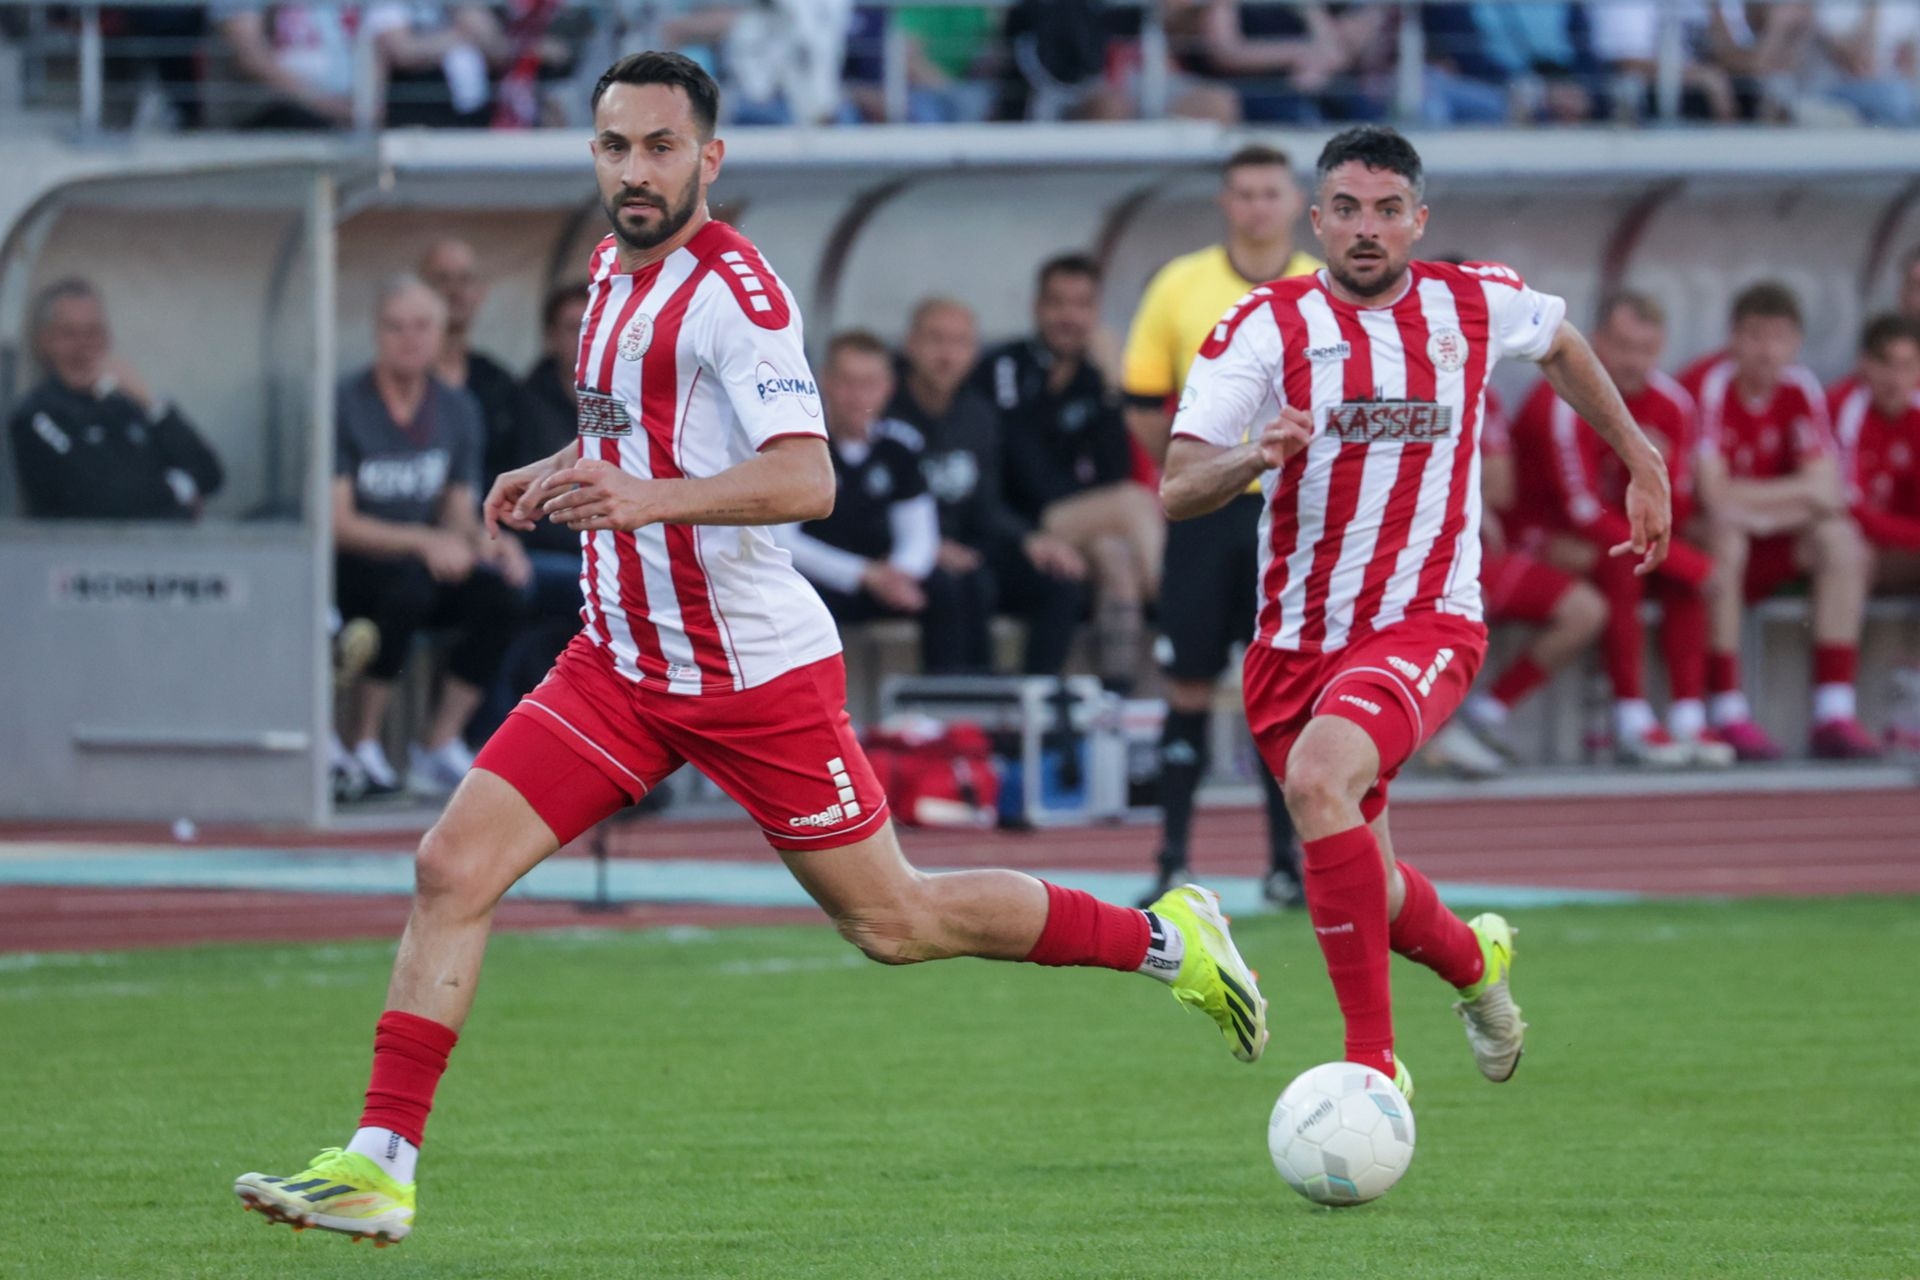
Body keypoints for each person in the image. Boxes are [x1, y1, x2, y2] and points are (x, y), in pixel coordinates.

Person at [234, 52, 1267, 1248]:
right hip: (621, 662)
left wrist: (648, 499)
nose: (635, 169)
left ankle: (1167, 939)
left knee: (896, 921)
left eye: (660, 146)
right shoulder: (611, 273)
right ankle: (381, 1163)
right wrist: (555, 469)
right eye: (615, 146)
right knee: (450, 865)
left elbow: (807, 476)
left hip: (750, 672)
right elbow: (636, 438)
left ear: (709, 158)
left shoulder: (742, 295)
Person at [1159, 124, 1675, 1096]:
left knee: (1320, 781)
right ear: (1317, 221)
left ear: (1418, 220)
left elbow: (1561, 343)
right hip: (1294, 644)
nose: (1368, 228)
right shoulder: (1263, 326)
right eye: (1347, 210)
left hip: (1426, 620)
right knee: (1376, 886)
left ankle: (1370, 1065)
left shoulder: (1472, 301)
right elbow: (1179, 488)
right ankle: (1479, 966)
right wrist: (1254, 456)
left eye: (1388, 210)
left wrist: (1639, 457)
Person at [1121, 142, 1318, 909]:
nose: (1258, 207)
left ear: (1294, 202)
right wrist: (1195, 469)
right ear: (1225, 203)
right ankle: (1172, 858)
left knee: (1285, 687)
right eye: (1245, 193)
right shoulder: (1180, 284)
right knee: (1190, 680)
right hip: (1207, 515)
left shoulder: (1324, 287)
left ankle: (1286, 865)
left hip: (1294, 514)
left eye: (1271, 192)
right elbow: (1144, 400)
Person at [1506, 291, 1732, 766]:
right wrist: (1688, 563)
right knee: (1637, 563)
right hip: (1541, 536)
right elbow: (1582, 511)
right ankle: (1631, 717)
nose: (1634, 361)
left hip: (1614, 534)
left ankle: (1688, 715)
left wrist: (1659, 466)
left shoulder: (1671, 403)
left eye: (1646, 349)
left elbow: (1678, 506)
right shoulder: (1562, 400)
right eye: (1623, 346)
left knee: (1674, 570)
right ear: (1596, 341)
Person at [332, 275, 530, 798]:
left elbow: (455, 506)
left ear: (441, 334)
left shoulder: (457, 407)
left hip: (423, 561)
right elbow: (338, 522)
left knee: (504, 594)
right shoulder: (346, 402)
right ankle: (362, 741)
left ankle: (438, 742)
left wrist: (488, 542)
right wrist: (423, 542)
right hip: (352, 565)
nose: (409, 338)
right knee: (408, 588)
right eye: (395, 327)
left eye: (421, 326)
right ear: (376, 332)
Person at [1683, 282, 1879, 760]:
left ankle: (1833, 710)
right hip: (1709, 540)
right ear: (1733, 337)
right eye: (1754, 336)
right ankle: (1727, 708)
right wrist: (1795, 495)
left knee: (1840, 539)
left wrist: (1758, 506)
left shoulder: (1800, 386)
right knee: (1726, 537)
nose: (1766, 351)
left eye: (1778, 337)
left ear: (1796, 342)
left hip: (1768, 537)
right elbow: (1712, 495)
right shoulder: (1709, 384)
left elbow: (1829, 491)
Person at [976, 254, 1161, 689]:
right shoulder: (1006, 367)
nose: (1069, 317)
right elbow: (1023, 470)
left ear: (1096, 313)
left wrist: (1114, 388)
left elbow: (1112, 470)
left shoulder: (1094, 380)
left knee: (1116, 558)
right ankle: (1177, 611)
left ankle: (1117, 697)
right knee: (1133, 503)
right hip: (1017, 525)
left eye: (1081, 305)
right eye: (1057, 303)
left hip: (1073, 524)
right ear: (1037, 307)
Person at [889, 297, 1087, 677]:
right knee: (963, 583)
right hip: (904, 554)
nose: (947, 355)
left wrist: (1030, 539)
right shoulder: (885, 409)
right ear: (910, 344)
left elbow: (986, 506)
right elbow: (864, 506)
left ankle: (1034, 700)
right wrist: (925, 547)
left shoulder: (979, 415)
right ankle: (961, 708)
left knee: (1058, 581)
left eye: (959, 342)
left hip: (970, 548)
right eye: (936, 340)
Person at [1420, 385, 1610, 778]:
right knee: (1457, 606)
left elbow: (1501, 488)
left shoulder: (1478, 393)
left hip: (1471, 547)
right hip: (1408, 547)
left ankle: (1485, 712)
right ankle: (1437, 728)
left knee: (1585, 609)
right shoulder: (1389, 385)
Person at [778, 330, 977, 674]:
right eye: (847, 383)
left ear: (888, 387)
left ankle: (946, 698)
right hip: (827, 578)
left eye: (869, 384)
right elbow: (784, 541)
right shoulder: (801, 447)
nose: (857, 397)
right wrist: (863, 575)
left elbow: (919, 533)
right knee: (795, 601)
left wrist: (899, 574)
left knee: (951, 586)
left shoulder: (899, 447)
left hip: (883, 578)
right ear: (825, 382)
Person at [8, 278, 224, 521]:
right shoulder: (37, 414)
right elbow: (102, 497)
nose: (83, 346)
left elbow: (209, 473)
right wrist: (178, 490)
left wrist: (150, 402)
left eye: (93, 333)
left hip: (159, 545)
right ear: (44, 342)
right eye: (69, 334)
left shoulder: (125, 405)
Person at [1834, 314, 1920, 751]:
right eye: (1886, 363)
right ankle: (1834, 711)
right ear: (1865, 364)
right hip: (1854, 551)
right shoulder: (1845, 408)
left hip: (1901, 551)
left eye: (1907, 365)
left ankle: (1910, 711)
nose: (1895, 377)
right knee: (1847, 549)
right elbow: (1850, 508)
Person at [418, 237, 524, 485]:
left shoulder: (498, 382)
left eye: (465, 279)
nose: (454, 291)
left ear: (480, 292)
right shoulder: (401, 378)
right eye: (442, 279)